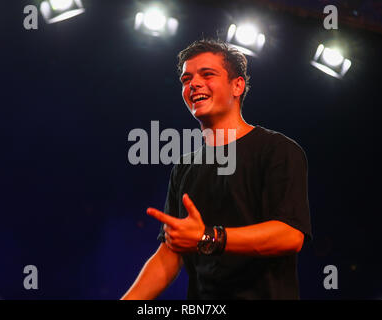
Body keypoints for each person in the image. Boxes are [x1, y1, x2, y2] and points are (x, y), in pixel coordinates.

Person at [121, 39, 312, 300]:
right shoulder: (185, 166)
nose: (194, 84)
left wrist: (207, 237)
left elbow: (289, 235)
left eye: (207, 74)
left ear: (237, 85)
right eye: (186, 79)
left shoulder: (277, 150)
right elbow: (170, 253)